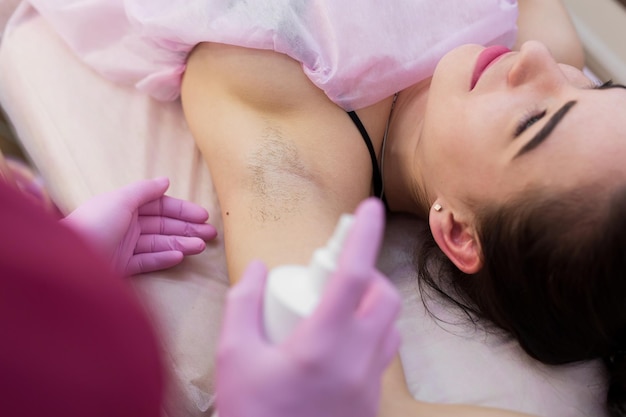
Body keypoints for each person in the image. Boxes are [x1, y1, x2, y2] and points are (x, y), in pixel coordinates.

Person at [11, 0, 626, 415]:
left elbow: (375, 402)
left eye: (533, 123)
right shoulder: (548, 44)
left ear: (459, 232)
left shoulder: (291, 137)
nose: (541, 65)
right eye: (592, 87)